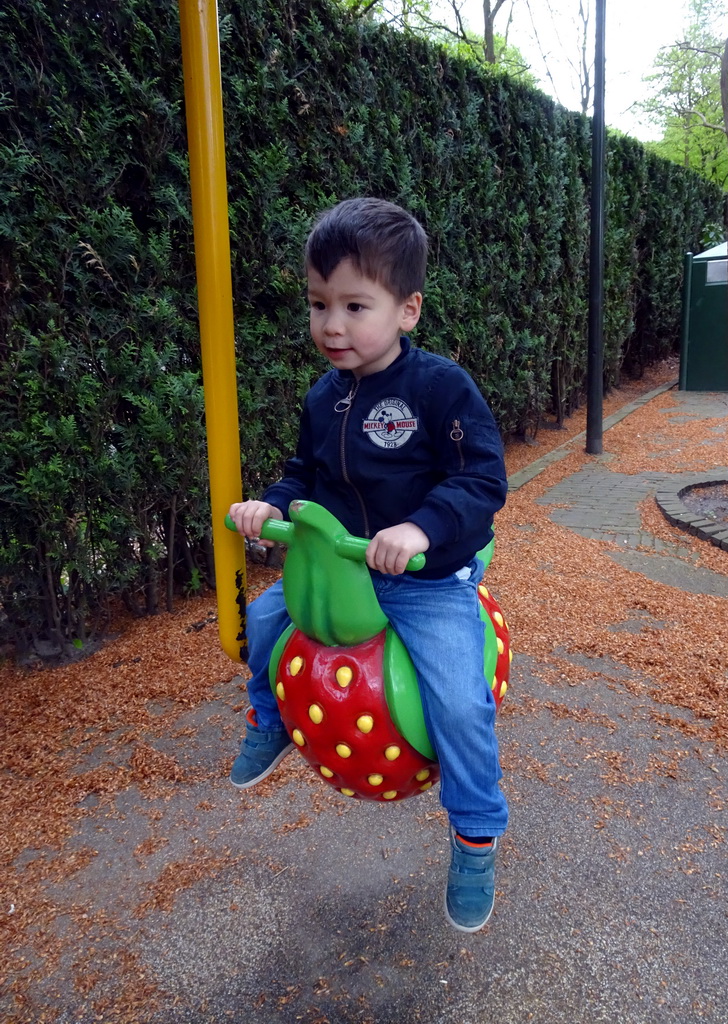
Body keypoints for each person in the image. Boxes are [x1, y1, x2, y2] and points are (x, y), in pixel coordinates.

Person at [228, 197, 508, 933]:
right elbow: (302, 475)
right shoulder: (324, 397)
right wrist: (271, 505)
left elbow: (483, 482)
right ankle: (266, 719)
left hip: (420, 581)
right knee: (260, 619)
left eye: (355, 305)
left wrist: (420, 529)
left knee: (456, 695)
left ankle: (476, 833)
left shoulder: (440, 389)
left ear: (407, 310)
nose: (332, 325)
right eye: (319, 304)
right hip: (339, 571)